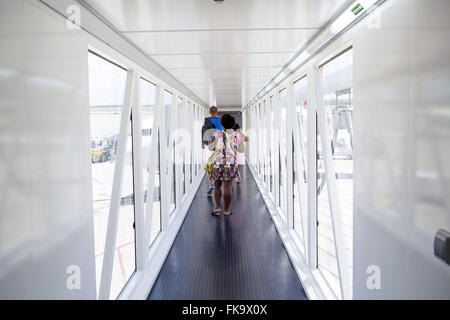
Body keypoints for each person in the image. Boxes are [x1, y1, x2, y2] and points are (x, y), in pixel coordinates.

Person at [208, 114, 244, 216]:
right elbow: (241, 150)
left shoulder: (217, 134)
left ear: (222, 123)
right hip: (231, 165)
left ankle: (218, 207)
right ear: (233, 124)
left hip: (218, 164)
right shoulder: (237, 136)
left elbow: (210, 148)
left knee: (217, 185)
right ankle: (227, 210)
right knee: (228, 186)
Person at [202, 106, 223, 196]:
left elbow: (203, 131)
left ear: (210, 112)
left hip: (213, 145)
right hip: (222, 145)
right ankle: (219, 183)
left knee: (208, 165)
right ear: (217, 112)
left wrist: (203, 143)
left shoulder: (207, 121)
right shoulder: (221, 121)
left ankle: (211, 184)